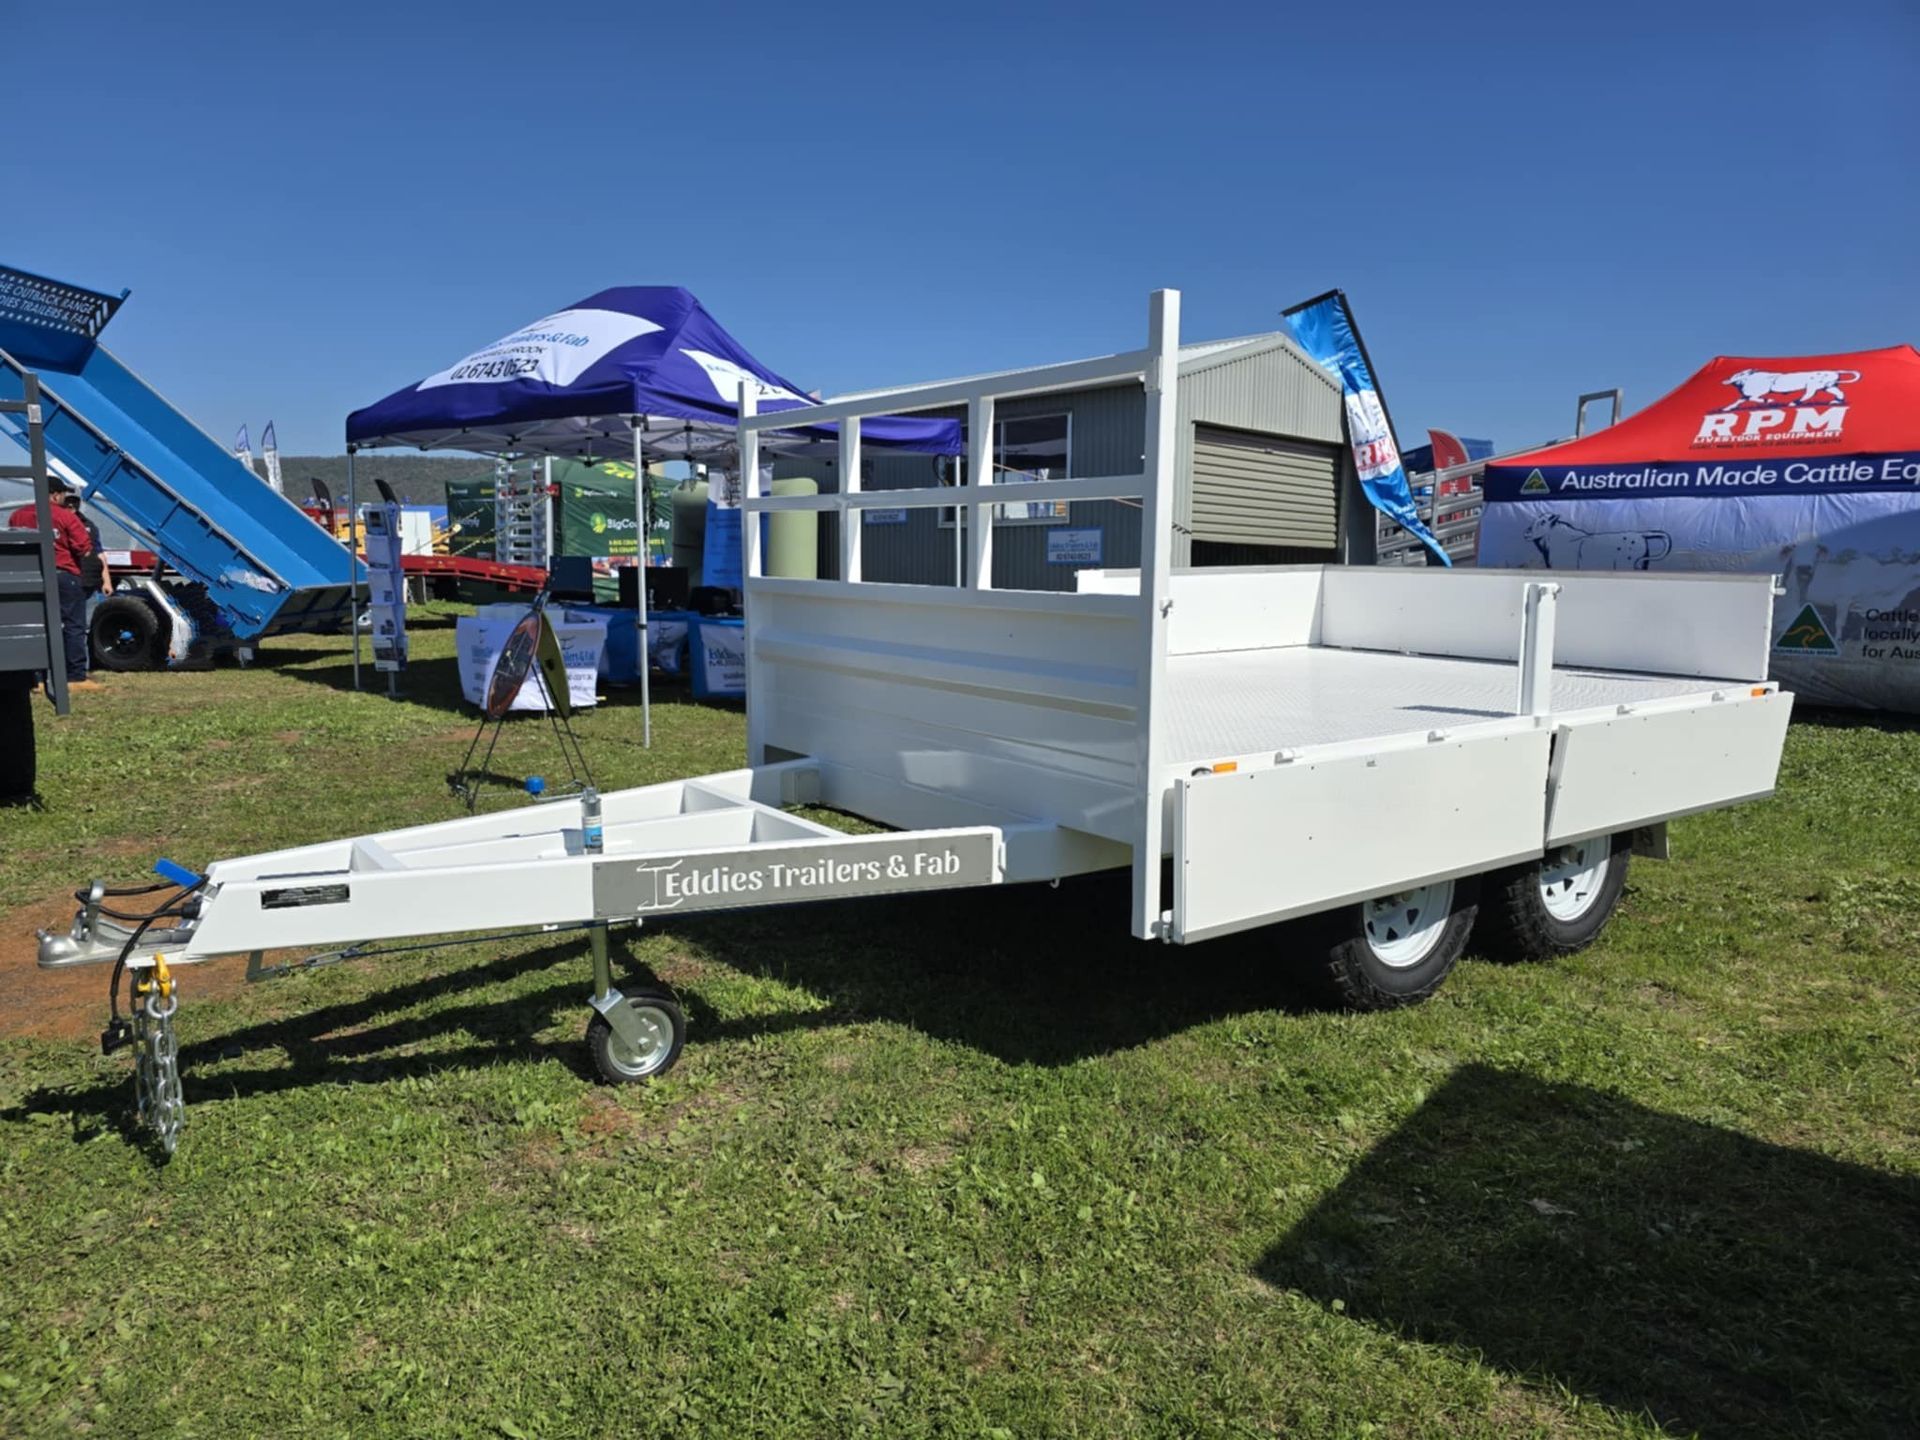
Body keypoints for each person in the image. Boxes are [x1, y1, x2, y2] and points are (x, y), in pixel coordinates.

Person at [7, 476, 101, 691]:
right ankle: (75, 676)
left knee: (34, 626)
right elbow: (84, 548)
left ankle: (35, 677)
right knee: (72, 626)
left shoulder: (18, 515)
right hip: (64, 575)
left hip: (30, 576)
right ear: (56, 494)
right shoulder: (65, 517)